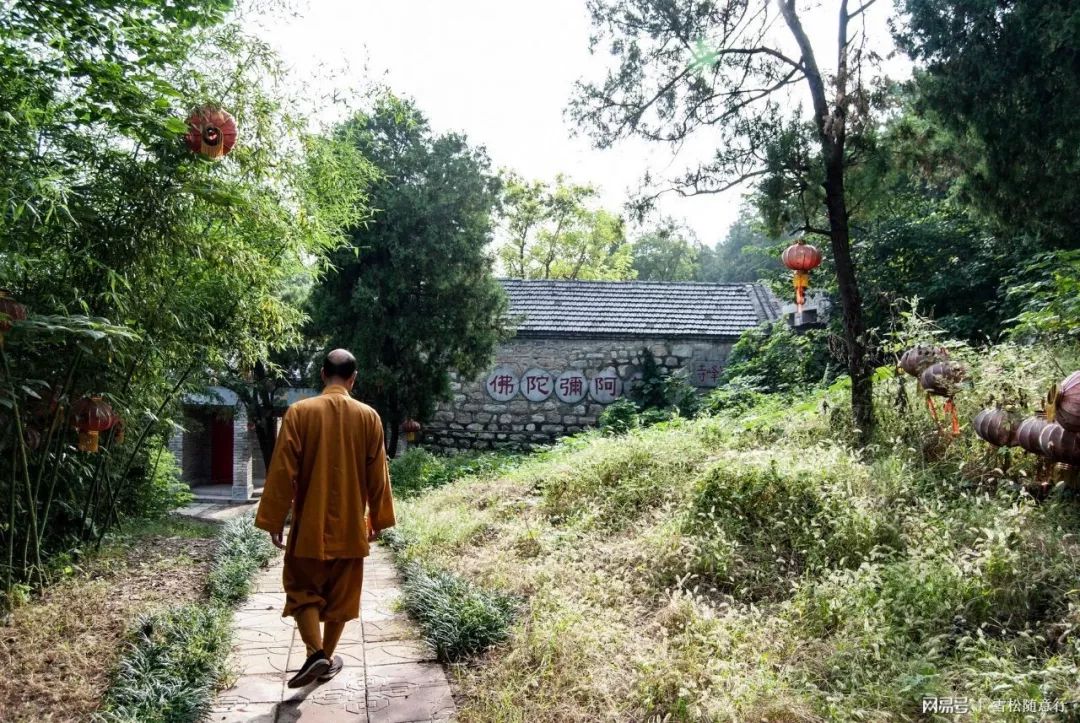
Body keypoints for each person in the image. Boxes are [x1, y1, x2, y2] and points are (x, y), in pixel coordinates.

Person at [255, 348, 396, 688]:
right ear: (353, 378)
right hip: (350, 526)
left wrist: (275, 519)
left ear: (322, 374)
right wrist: (377, 518)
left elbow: (282, 470)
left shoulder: (300, 412)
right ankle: (325, 658)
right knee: (342, 598)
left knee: (302, 590)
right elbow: (378, 474)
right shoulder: (369, 417)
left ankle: (316, 653)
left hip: (309, 526)